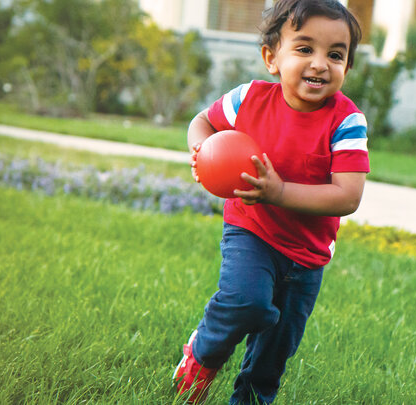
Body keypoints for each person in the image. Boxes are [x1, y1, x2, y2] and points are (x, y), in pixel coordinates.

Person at [173, 0, 368, 403]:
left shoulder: (346, 121)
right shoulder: (249, 100)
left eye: (335, 54)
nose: (319, 63)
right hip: (251, 230)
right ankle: (203, 353)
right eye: (304, 48)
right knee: (247, 303)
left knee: (273, 355)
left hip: (307, 255)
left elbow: (348, 196)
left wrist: (280, 191)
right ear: (271, 58)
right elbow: (202, 122)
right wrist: (202, 152)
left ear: (346, 68)